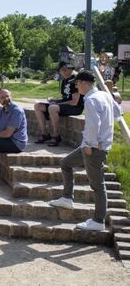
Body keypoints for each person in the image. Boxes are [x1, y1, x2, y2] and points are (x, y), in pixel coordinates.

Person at [48, 70, 122, 231]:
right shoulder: (104, 95)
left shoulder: (91, 100)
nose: (76, 87)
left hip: (93, 148)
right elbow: (118, 112)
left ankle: (98, 221)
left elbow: (93, 125)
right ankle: (67, 198)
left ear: (83, 83)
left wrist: (90, 144)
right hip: (95, 145)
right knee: (65, 163)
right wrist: (104, 138)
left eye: (76, 84)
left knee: (98, 186)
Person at [34, 61, 83, 146]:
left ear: (71, 69)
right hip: (66, 105)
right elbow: (66, 98)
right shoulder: (64, 81)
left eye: (66, 69)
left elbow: (74, 102)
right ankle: (45, 134)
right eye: (62, 70)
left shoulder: (75, 80)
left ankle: (56, 136)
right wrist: (56, 101)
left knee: (52, 108)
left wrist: (57, 104)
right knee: (38, 106)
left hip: (75, 107)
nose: (64, 72)